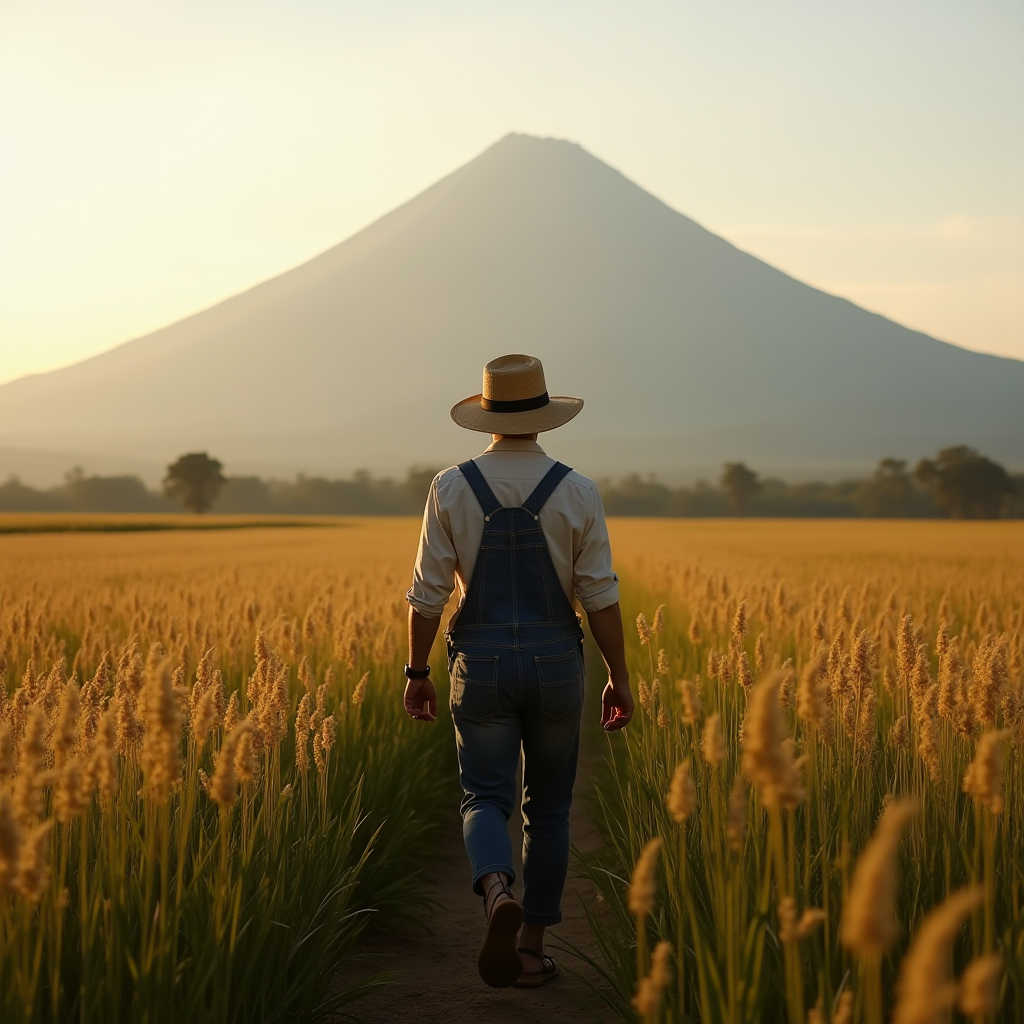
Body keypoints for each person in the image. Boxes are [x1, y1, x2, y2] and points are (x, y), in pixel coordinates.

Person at [403, 353, 634, 989]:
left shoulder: (451, 486)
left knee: (484, 795)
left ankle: (497, 889)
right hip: (557, 661)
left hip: (478, 664)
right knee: (550, 810)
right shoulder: (577, 489)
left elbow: (426, 594)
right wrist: (618, 675)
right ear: (544, 418)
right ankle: (531, 947)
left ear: (486, 418)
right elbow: (600, 594)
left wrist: (416, 670)